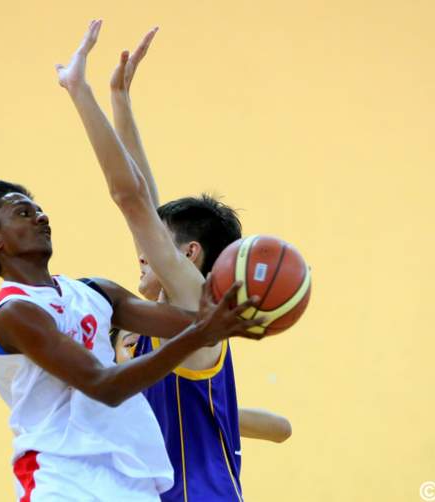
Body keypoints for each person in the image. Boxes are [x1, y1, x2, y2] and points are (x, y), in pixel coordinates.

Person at [56, 19, 289, 501]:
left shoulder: (195, 309)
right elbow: (149, 206)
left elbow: (134, 200)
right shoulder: (173, 326)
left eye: (157, 247)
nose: (141, 253)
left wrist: (80, 92)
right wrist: (121, 99)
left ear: (189, 255)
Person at [0, 179, 266, 501]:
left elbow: (189, 323)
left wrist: (245, 313)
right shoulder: (15, 313)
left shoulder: (94, 292)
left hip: (130, 477)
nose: (41, 217)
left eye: (40, 210)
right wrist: (201, 333)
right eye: (23, 212)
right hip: (62, 477)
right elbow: (104, 385)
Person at [110, 328, 292, 443]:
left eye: (150, 345)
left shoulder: (185, 406)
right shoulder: (106, 415)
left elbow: (282, 429)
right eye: (132, 344)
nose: (144, 350)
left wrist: (206, 413)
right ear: (111, 358)